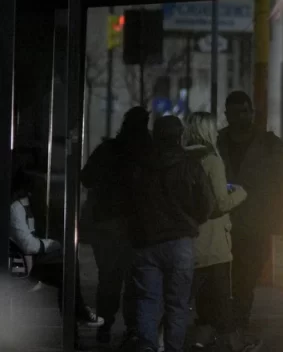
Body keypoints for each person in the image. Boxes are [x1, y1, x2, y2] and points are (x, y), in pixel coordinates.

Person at [218, 92, 283, 334]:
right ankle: (233, 322)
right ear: (227, 115)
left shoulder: (268, 144)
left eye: (245, 111)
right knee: (227, 278)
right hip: (223, 225)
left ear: (251, 113)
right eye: (235, 112)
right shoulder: (217, 143)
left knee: (247, 277)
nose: (241, 117)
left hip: (257, 225)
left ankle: (238, 320)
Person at [128, 116, 216, 352]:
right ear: (179, 136)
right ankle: (172, 348)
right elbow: (208, 204)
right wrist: (192, 221)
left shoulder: (140, 166)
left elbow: (129, 203)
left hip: (146, 242)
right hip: (180, 243)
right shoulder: (190, 165)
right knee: (177, 305)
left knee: (147, 300)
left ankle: (147, 347)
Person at [183, 112, 257, 351]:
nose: (217, 132)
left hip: (189, 240)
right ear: (206, 131)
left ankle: (198, 340)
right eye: (213, 129)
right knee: (223, 297)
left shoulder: (183, 158)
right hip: (214, 242)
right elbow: (221, 204)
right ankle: (235, 345)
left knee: (197, 298)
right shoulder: (212, 160)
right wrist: (241, 192)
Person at [81, 106, 150, 345]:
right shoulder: (148, 152)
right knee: (134, 280)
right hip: (136, 225)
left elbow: (86, 177)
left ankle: (105, 326)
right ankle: (132, 329)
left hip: (107, 224)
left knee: (109, 279)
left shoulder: (108, 149)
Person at [9, 172, 105, 342]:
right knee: (65, 273)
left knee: (68, 269)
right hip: (21, 263)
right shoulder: (17, 208)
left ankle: (75, 326)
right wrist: (54, 244)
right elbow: (27, 244)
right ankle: (77, 320)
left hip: (34, 260)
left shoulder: (38, 207)